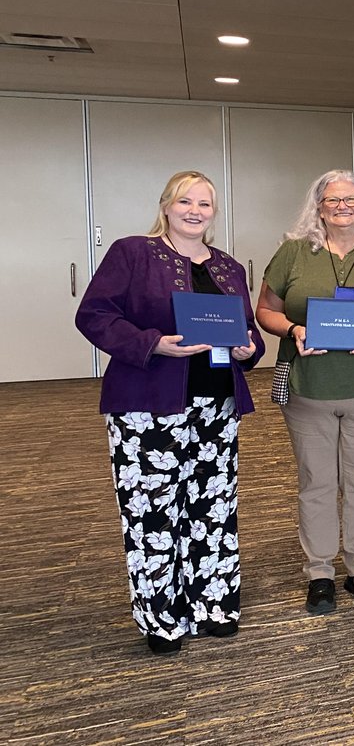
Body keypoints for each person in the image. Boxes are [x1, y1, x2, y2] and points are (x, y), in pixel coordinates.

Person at [74, 171, 264, 655]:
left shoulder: (227, 268)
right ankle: (162, 618)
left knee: (214, 509)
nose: (195, 211)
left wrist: (250, 349)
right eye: (185, 201)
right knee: (153, 511)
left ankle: (214, 603)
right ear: (166, 205)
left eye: (205, 203)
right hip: (147, 406)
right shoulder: (133, 252)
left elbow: (246, 330)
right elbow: (93, 315)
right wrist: (153, 343)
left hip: (216, 404)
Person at [255, 170, 354, 615]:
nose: (342, 206)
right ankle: (320, 572)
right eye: (332, 200)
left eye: (352, 199)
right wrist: (294, 328)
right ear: (319, 207)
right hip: (311, 386)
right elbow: (264, 310)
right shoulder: (293, 254)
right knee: (317, 481)